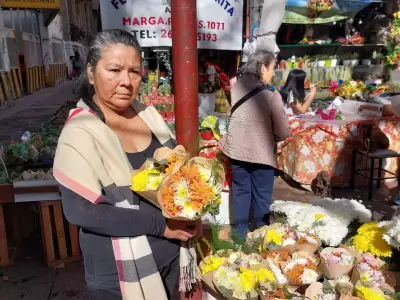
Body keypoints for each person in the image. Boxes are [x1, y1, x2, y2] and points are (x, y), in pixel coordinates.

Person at [53, 29, 200, 299]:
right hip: (119, 276)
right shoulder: (81, 130)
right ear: (90, 73)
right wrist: (163, 226)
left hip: (170, 259)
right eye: (114, 70)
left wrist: (192, 209)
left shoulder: (149, 115)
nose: (126, 81)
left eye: (134, 71)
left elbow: (173, 175)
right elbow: (81, 211)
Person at [220, 50, 291, 239]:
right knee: (261, 197)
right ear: (262, 68)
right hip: (262, 155)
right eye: (272, 68)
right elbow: (283, 131)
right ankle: (261, 237)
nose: (273, 73)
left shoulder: (236, 88)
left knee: (241, 193)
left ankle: (240, 236)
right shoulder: (271, 95)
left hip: (236, 152)